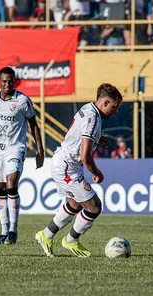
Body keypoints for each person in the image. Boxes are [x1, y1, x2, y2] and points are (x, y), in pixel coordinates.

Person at [35, 83, 122, 258]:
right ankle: (71, 240)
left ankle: (46, 235)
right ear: (105, 102)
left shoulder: (89, 108)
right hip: (68, 167)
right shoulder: (93, 119)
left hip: (64, 163)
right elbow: (85, 156)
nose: (115, 111)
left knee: (75, 204)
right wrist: (97, 173)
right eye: (114, 107)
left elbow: (79, 134)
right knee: (94, 207)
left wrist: (98, 138)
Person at [0, 67, 44, 245]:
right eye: (4, 81)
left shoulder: (22, 101)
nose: (7, 84)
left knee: (11, 185)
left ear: (14, 81)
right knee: (0, 189)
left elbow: (34, 125)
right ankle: (4, 230)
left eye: (10, 81)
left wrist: (40, 150)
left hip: (16, 148)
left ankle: (13, 230)